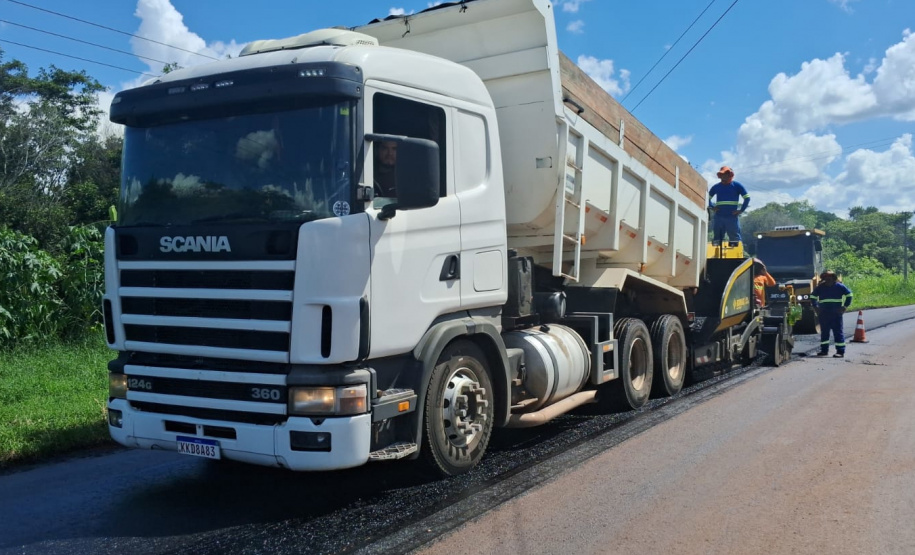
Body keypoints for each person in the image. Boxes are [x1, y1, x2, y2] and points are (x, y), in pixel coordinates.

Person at [810, 270, 853, 358]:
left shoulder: (839, 286)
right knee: (824, 332)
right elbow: (812, 296)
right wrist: (815, 307)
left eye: (830, 276)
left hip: (836, 313)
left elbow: (849, 295)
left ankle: (840, 351)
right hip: (824, 313)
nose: (828, 278)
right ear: (823, 278)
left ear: (833, 278)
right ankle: (824, 351)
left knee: (838, 332)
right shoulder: (820, 287)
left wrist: (845, 306)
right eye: (826, 276)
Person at [708, 166, 750, 245]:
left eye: (725, 174)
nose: (723, 177)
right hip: (719, 216)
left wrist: (741, 210)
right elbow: (707, 198)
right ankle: (716, 252)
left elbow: (747, 198)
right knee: (717, 239)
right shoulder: (716, 187)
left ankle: (736, 252)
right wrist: (712, 207)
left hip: (732, 217)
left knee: (735, 239)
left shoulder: (737, 185)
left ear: (730, 175)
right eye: (722, 175)